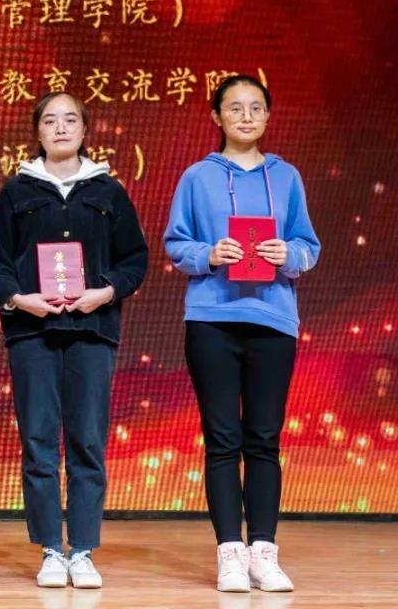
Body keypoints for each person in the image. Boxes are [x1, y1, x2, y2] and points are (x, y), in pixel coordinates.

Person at [163, 75, 320, 593]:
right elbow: (176, 243)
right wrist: (208, 254)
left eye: (256, 108)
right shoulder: (197, 177)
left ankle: (264, 553)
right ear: (217, 117)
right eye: (235, 108)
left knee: (265, 439)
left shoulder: (287, 177)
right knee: (222, 439)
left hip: (273, 320)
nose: (246, 117)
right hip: (212, 318)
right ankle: (230, 553)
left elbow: (308, 246)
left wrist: (288, 255)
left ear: (268, 116)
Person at [0, 93, 148, 590]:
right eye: (50, 121)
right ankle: (50, 550)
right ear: (37, 132)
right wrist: (19, 299)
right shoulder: (16, 190)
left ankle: (82, 549)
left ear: (84, 129)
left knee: (87, 441)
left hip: (92, 331)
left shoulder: (108, 191)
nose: (61, 128)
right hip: (32, 331)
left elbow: (134, 260)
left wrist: (106, 292)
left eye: (70, 119)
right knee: (38, 441)